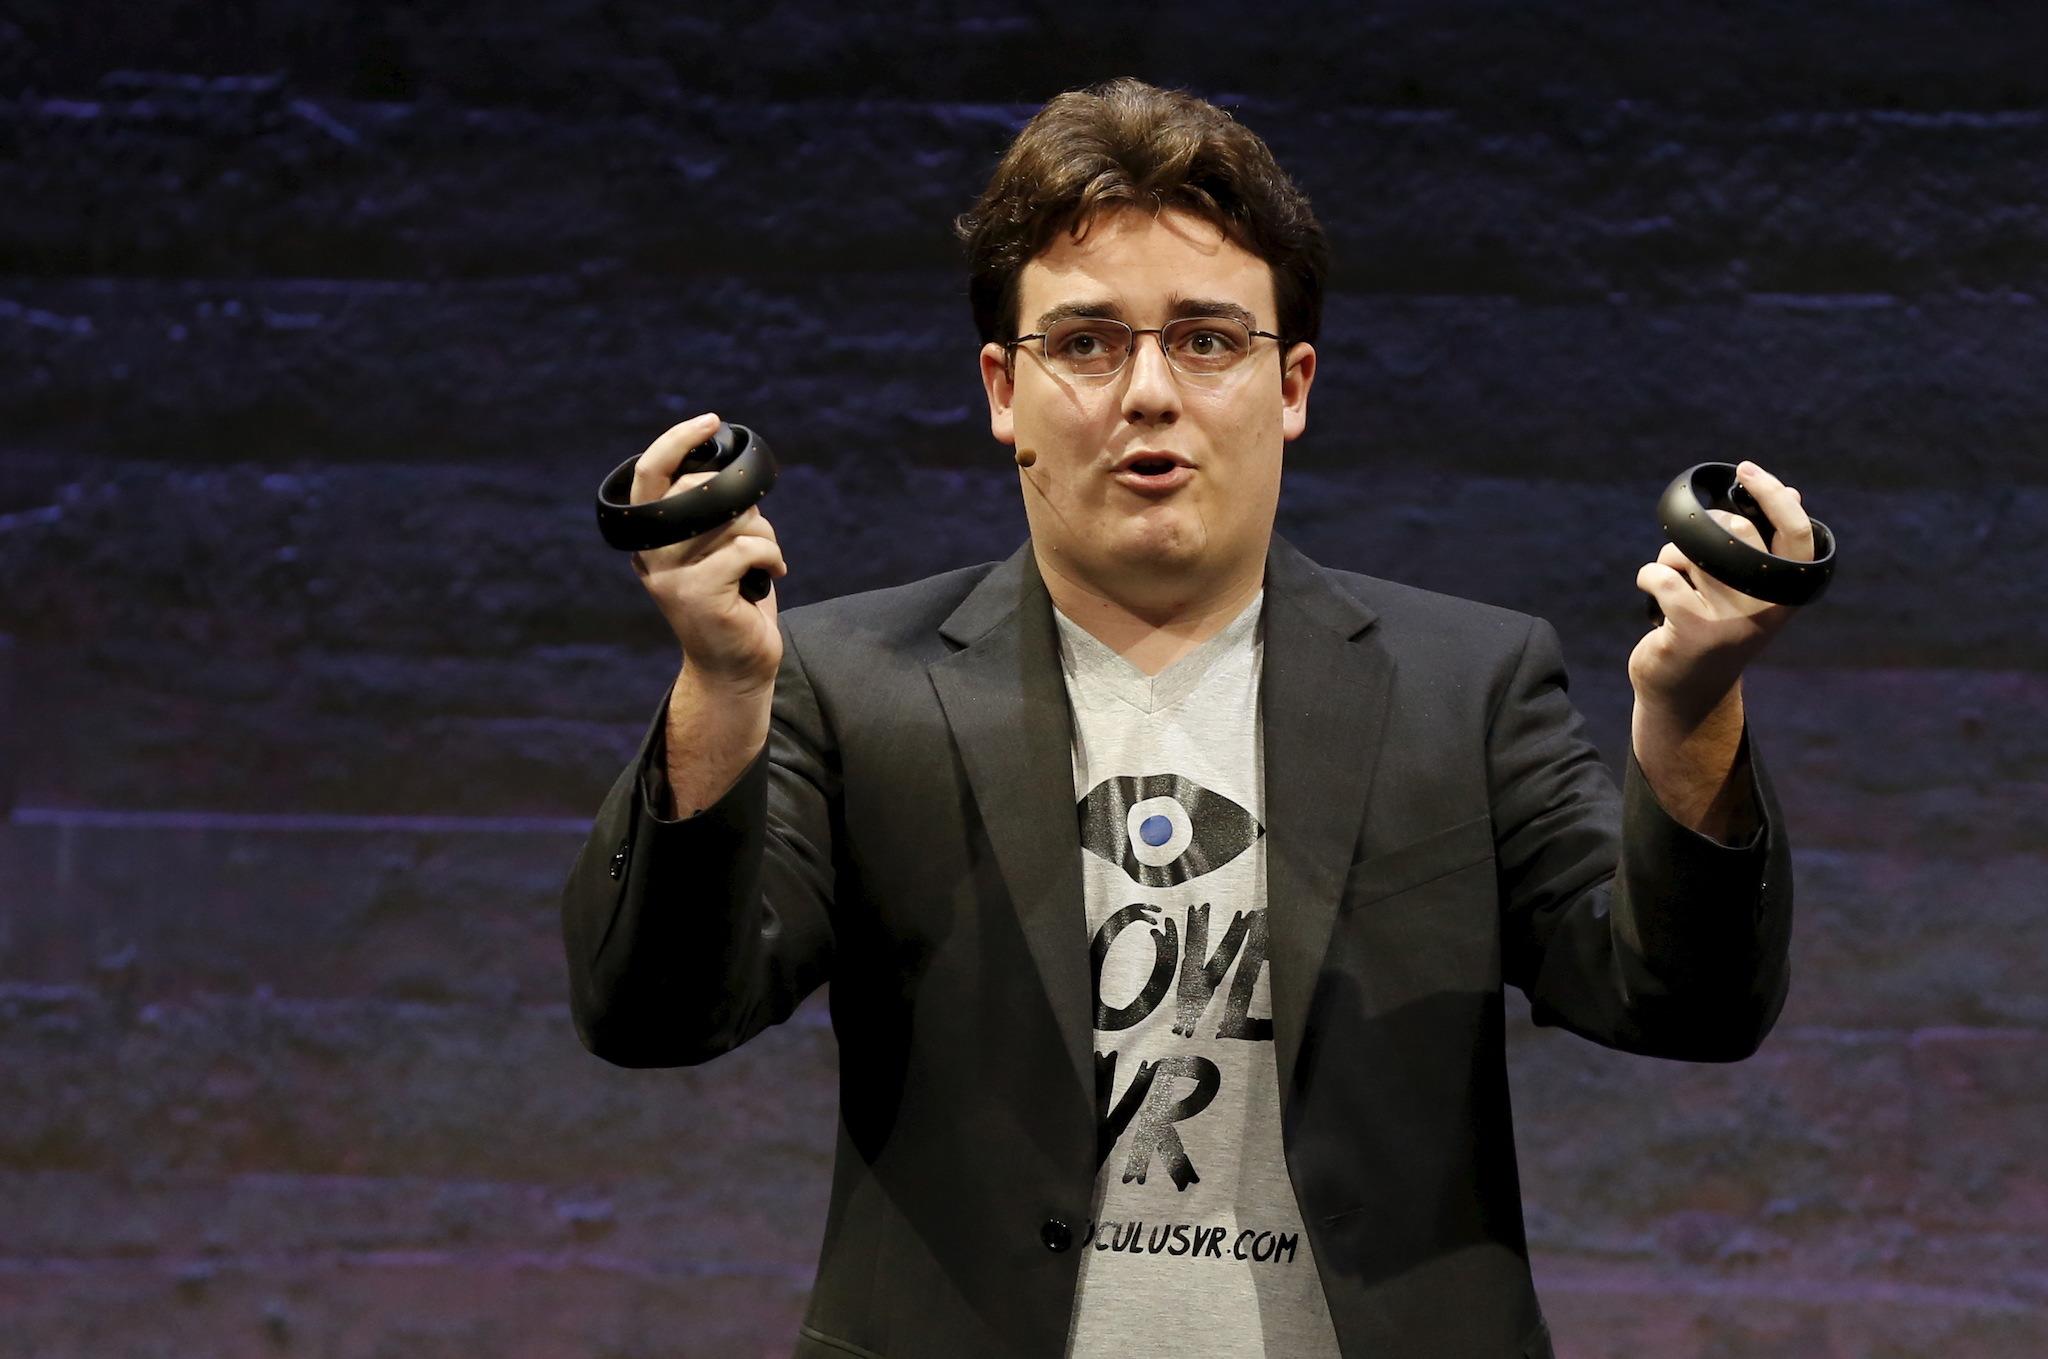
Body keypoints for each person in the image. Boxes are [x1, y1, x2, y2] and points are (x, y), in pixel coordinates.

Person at [561, 77, 1805, 1359]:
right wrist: (719, 685)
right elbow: (653, 1015)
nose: (1147, 392)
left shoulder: (1465, 683)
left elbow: (1683, 1008)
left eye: (1207, 339)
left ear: (1291, 386)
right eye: (1087, 342)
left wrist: (1690, 710)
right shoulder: (851, 676)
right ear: (1002, 391)